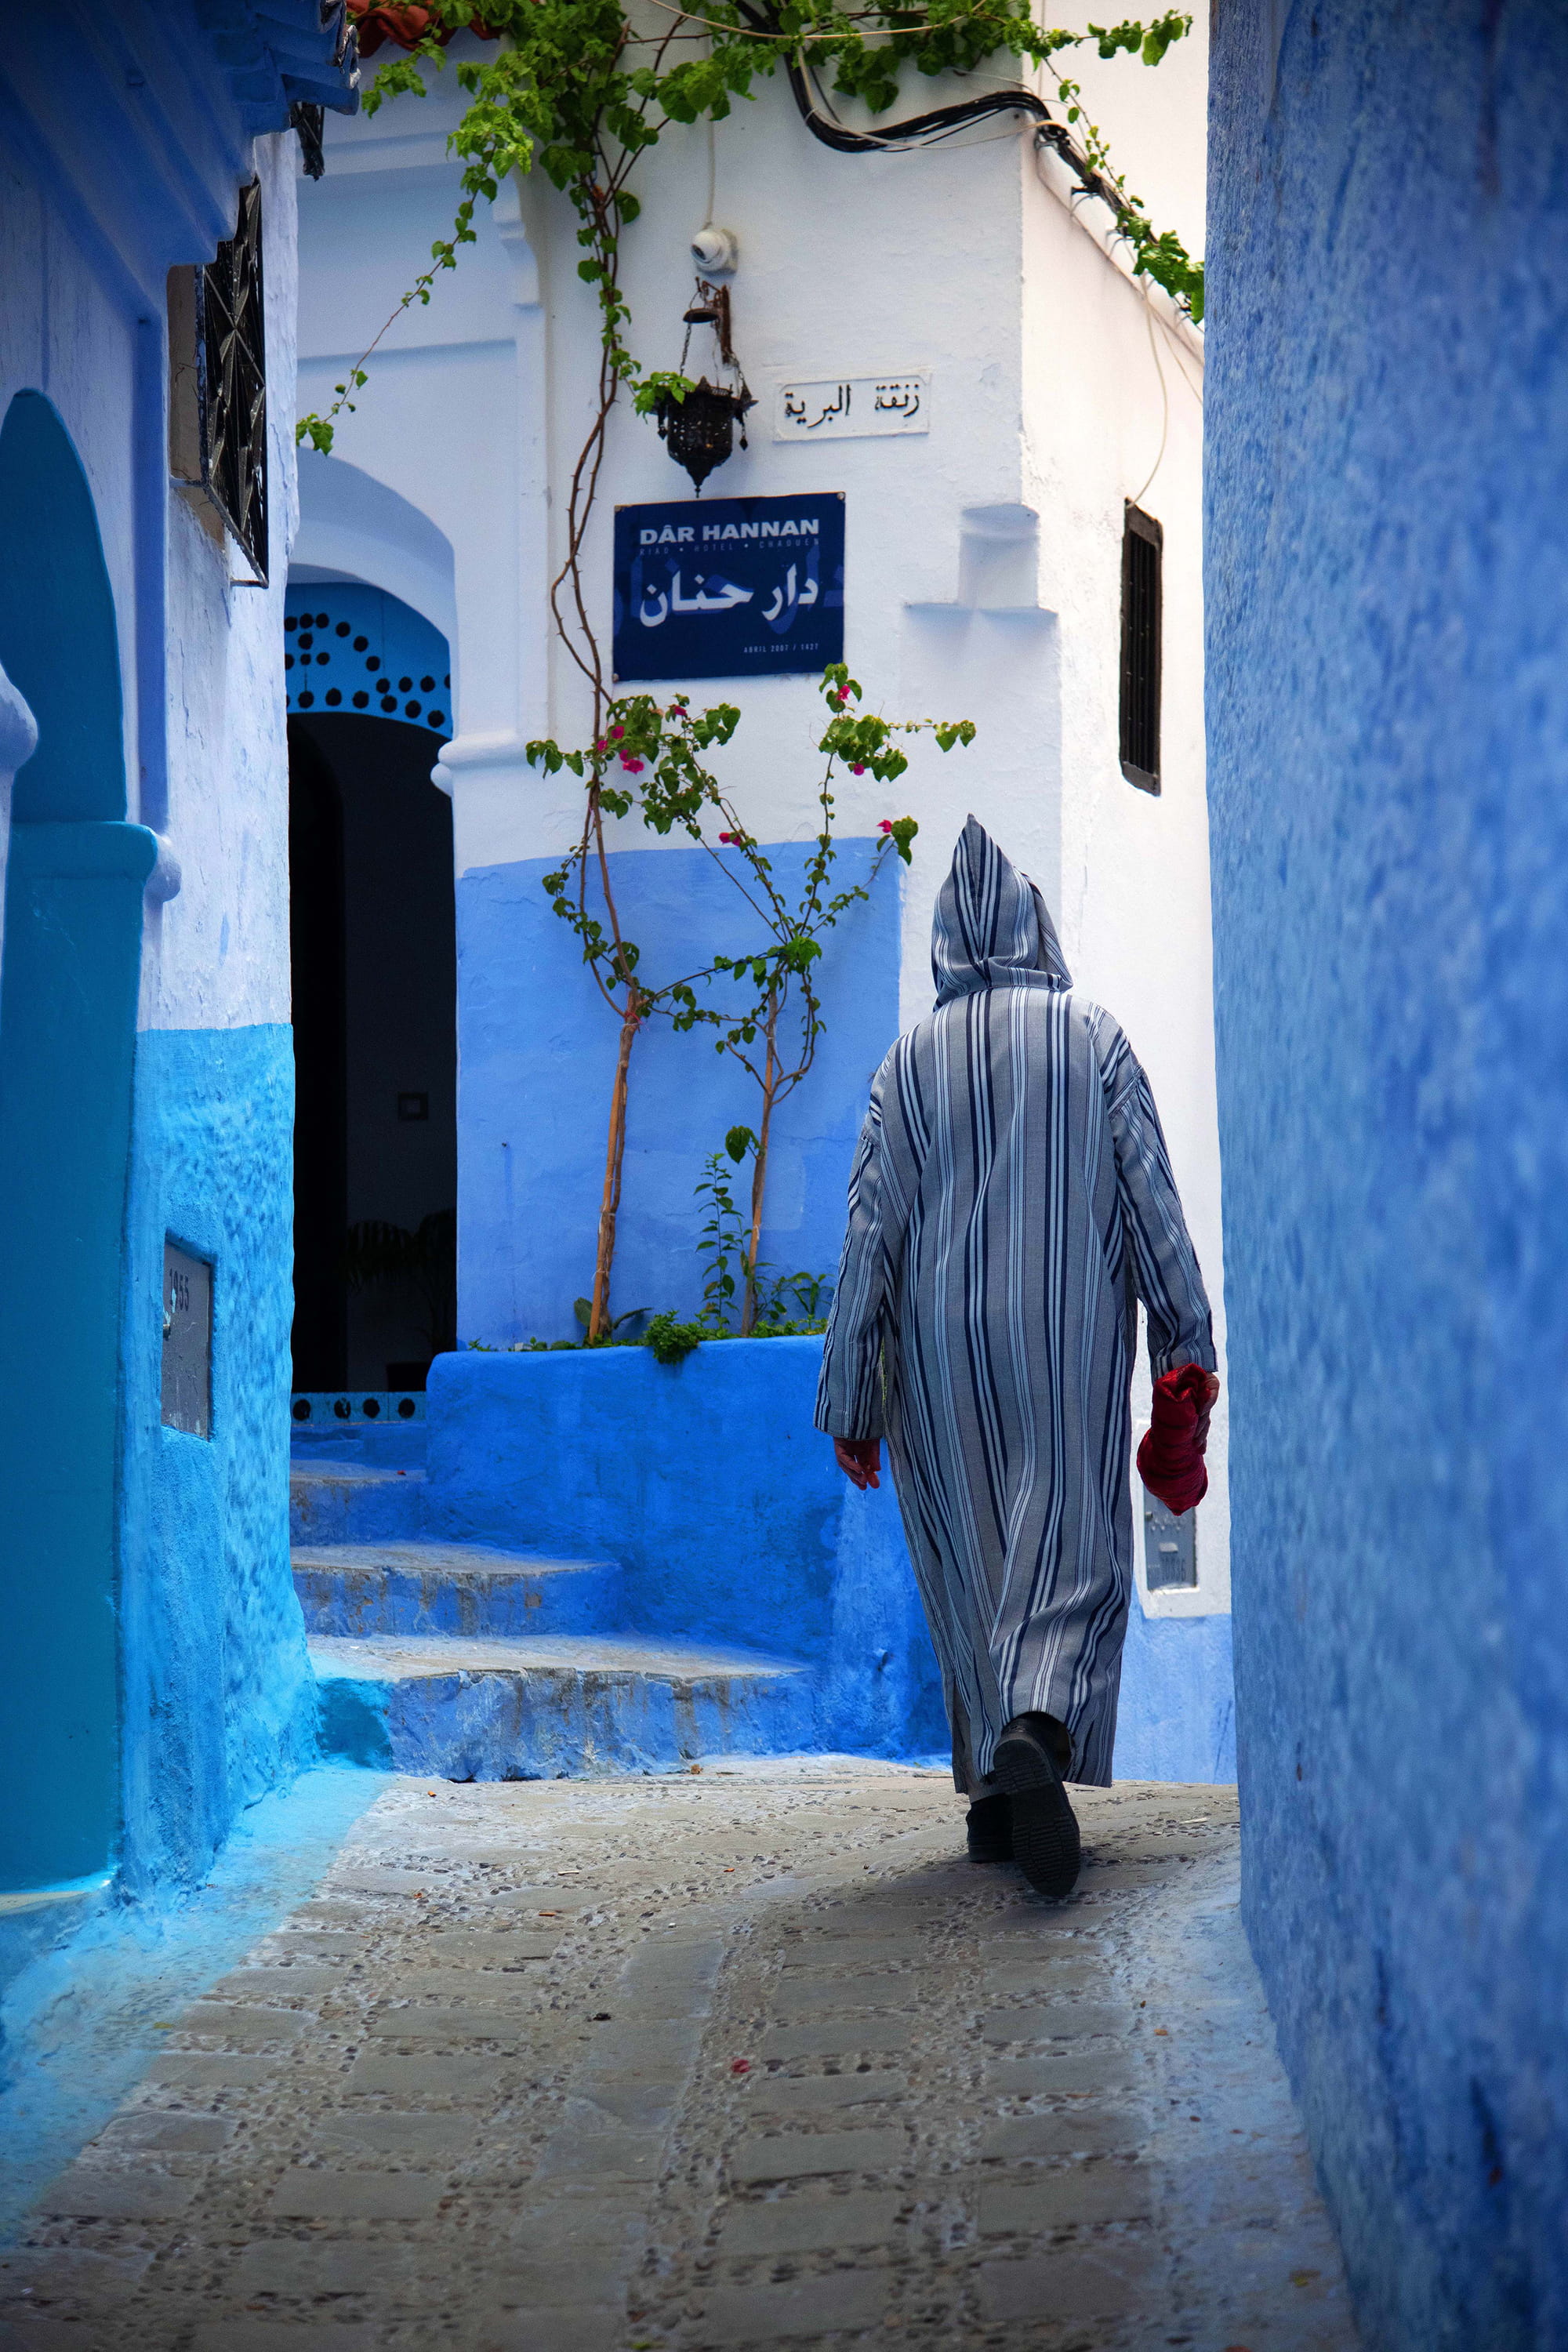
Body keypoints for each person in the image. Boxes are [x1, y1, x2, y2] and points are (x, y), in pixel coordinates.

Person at [815, 817, 1218, 1899]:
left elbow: (870, 1233)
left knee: (973, 1561)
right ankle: (1033, 1736)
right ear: (1036, 928)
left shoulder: (905, 1065)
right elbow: (1150, 1201)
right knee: (1066, 1553)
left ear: (947, 939)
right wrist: (1187, 1338)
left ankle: (995, 1793)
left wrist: (853, 1393)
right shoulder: (1091, 1035)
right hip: (1067, 1331)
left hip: (935, 1356)